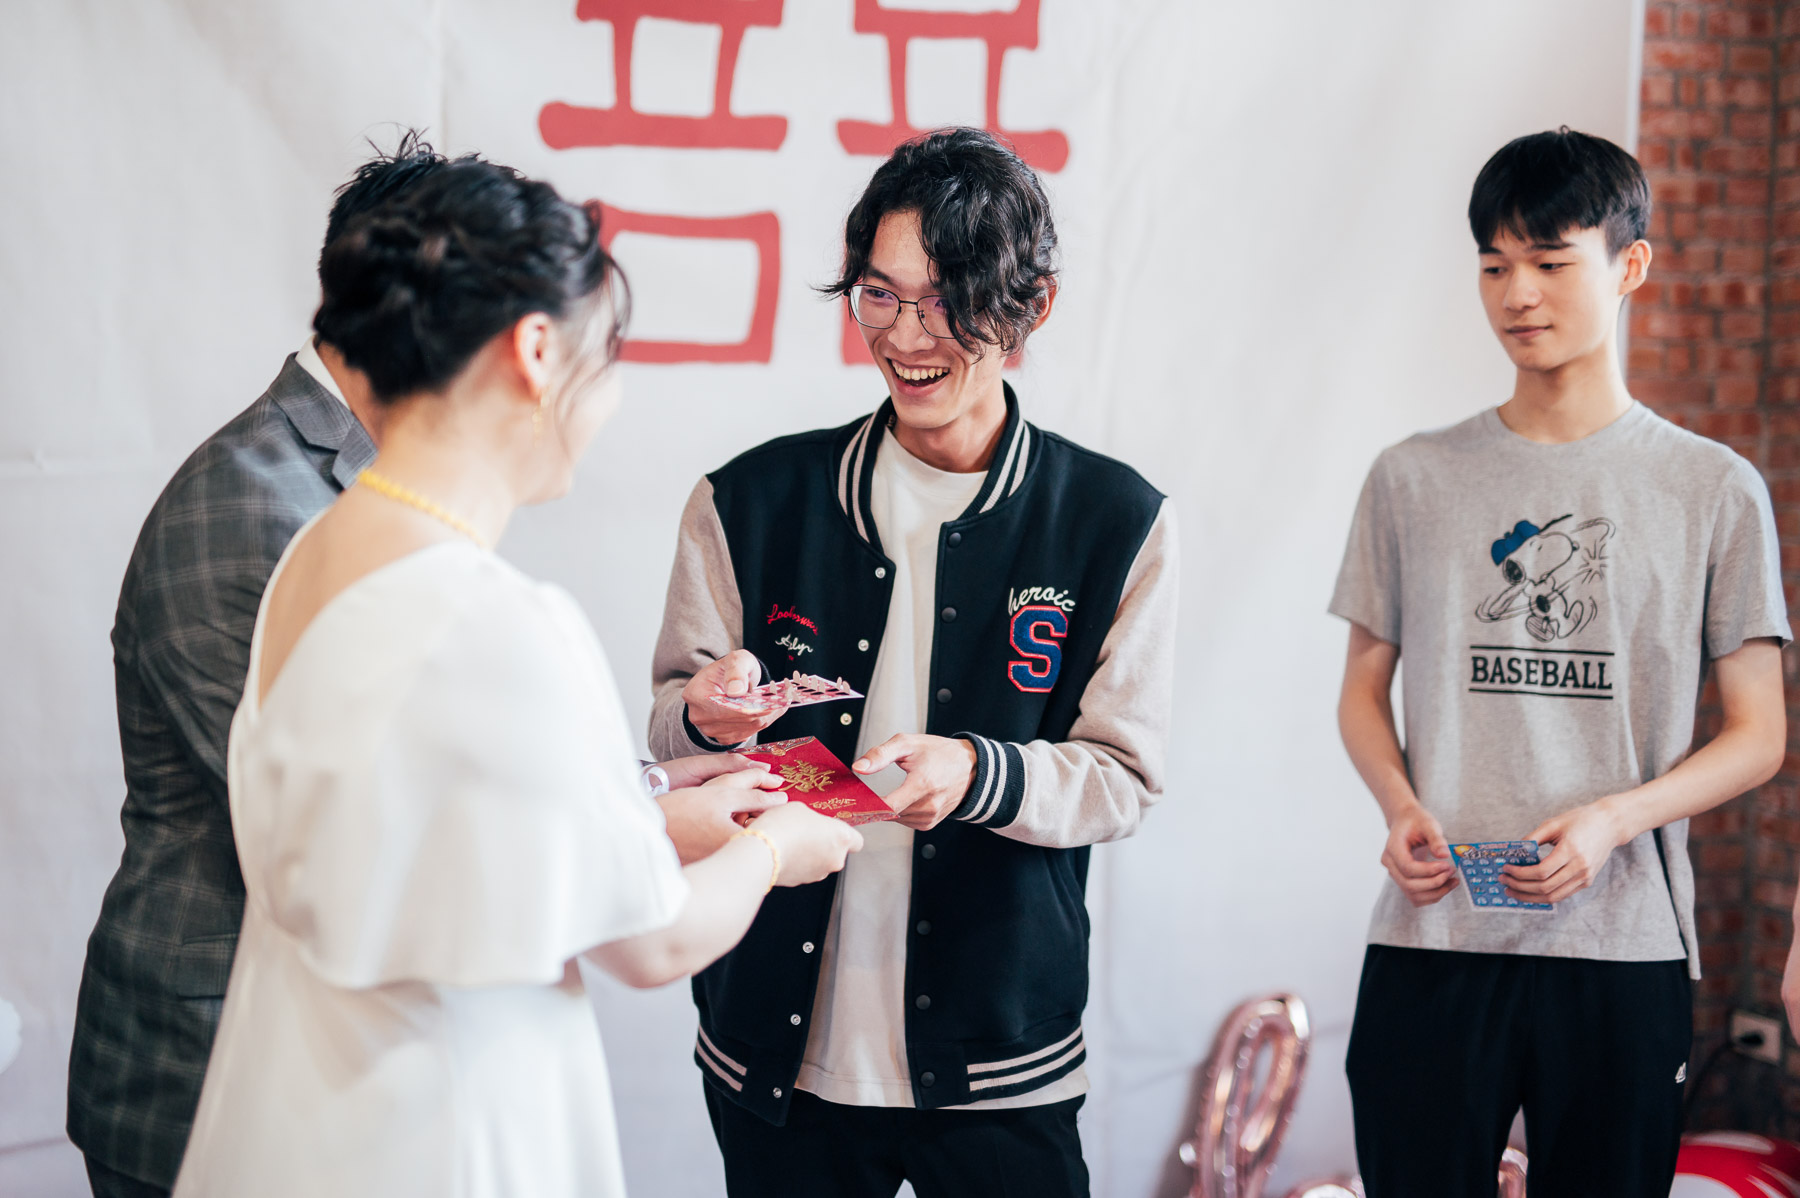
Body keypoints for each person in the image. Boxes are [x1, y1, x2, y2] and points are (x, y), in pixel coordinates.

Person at [68, 134, 793, 1198]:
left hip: (307, 1090)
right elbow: (647, 940)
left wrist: (627, 792)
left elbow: (419, 775)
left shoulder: (326, 549)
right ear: (536, 350)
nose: (612, 398)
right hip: (396, 1101)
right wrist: (777, 844)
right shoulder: (482, 606)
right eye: (609, 355)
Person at [648, 127, 1178, 1198]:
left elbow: (1123, 777)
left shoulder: (1113, 520)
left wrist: (980, 773)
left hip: (999, 1060)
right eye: (879, 297)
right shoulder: (750, 499)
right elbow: (667, 730)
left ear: (1033, 307)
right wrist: (705, 714)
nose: (904, 336)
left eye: (947, 302)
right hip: (776, 1049)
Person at [1332, 127, 1788, 1198]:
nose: (1517, 294)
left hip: (1621, 950)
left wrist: (1615, 820)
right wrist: (1400, 805)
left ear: (1630, 265)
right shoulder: (1412, 477)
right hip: (1433, 937)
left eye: (1549, 261)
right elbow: (1361, 691)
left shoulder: (1712, 488)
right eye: (1494, 266)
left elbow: (1759, 734)